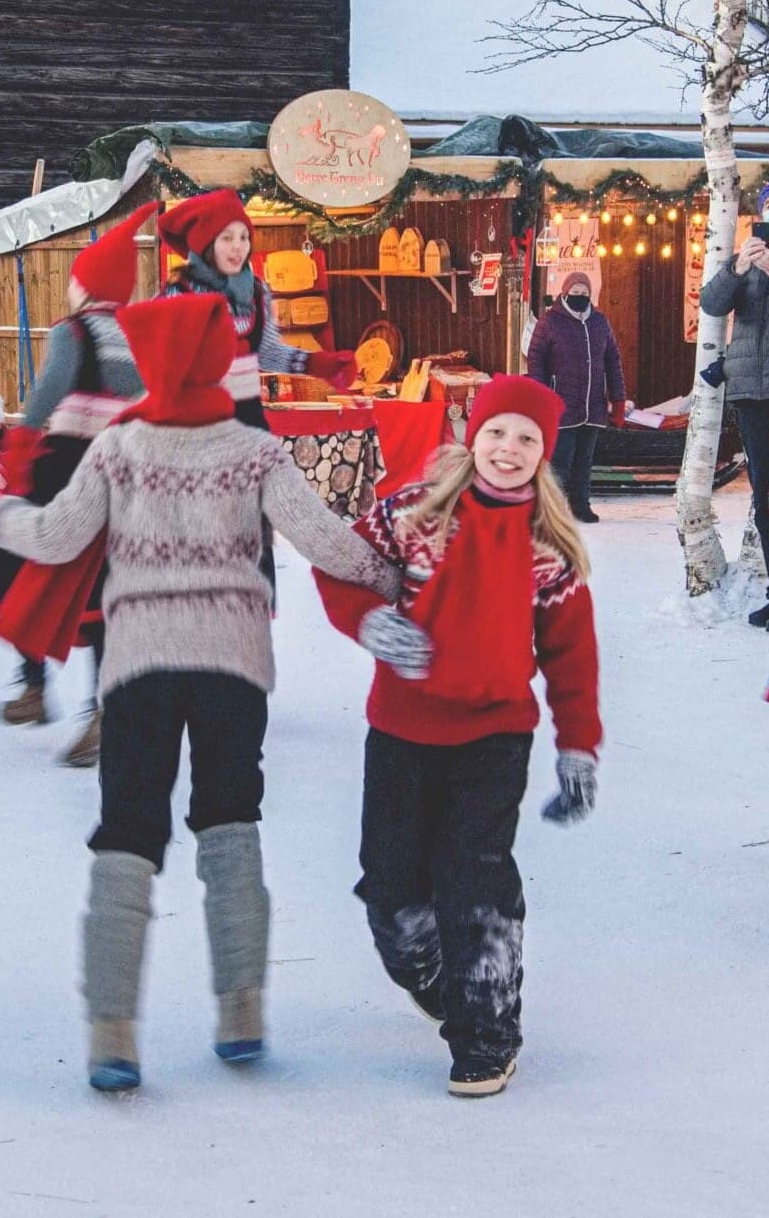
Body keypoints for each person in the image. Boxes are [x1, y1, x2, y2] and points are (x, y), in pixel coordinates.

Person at [0, 293, 401, 1092]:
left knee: (126, 834)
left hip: (139, 666)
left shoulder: (120, 446)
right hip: (233, 666)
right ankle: (241, 1012)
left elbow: (57, 536)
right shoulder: (253, 450)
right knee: (231, 824)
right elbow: (325, 540)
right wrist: (390, 573)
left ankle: (112, 1032)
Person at [314, 375, 603, 1099]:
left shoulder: (549, 548)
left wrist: (578, 744)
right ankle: (444, 981)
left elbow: (572, 656)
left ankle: (486, 1036)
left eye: (527, 439)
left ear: (544, 453)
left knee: (474, 883)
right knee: (390, 885)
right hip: (402, 728)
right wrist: (370, 620)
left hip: (494, 736)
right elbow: (340, 568)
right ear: (473, 433)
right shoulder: (413, 511)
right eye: (498, 432)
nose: (509, 448)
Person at [0, 203, 153, 766]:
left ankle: (33, 684)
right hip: (122, 476)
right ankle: (99, 712)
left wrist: (22, 444)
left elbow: (46, 394)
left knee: (6, 567)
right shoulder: (137, 334)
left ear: (85, 285)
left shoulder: (74, 333)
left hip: (65, 472)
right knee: (99, 596)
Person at [158, 188, 357, 429]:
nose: (238, 247)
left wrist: (322, 364)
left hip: (247, 423)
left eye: (244, 237)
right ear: (205, 244)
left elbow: (268, 352)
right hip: (194, 426)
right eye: (227, 238)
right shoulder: (178, 295)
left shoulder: (256, 292)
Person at [700, 178, 769, 634]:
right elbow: (712, 304)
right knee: (763, 500)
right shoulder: (748, 254)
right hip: (752, 393)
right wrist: (737, 268)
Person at [526, 270, 626, 523]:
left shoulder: (599, 322)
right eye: (575, 292)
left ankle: (580, 505)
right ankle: (552, 511)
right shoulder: (550, 322)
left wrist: (618, 399)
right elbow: (536, 360)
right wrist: (541, 396)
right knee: (559, 461)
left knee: (584, 461)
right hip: (561, 404)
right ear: (565, 292)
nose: (580, 296)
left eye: (584, 293)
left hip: (592, 405)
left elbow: (613, 361)